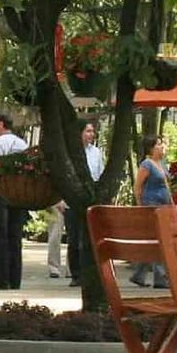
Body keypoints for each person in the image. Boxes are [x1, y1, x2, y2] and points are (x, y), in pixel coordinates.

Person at [0, 112, 29, 290]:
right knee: (15, 235)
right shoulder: (21, 143)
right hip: (20, 192)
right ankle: (15, 278)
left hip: (1, 189)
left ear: (1, 124)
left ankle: (1, 279)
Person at [129, 135, 172, 288]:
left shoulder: (162, 163)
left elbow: (166, 185)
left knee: (154, 241)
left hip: (164, 205)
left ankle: (138, 275)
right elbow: (138, 186)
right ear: (151, 148)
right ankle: (160, 278)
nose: (162, 146)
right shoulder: (147, 164)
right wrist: (141, 205)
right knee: (158, 241)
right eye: (159, 144)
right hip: (151, 205)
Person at [67, 121, 104, 287]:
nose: (91, 134)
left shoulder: (96, 152)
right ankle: (76, 274)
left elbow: (100, 174)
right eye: (87, 131)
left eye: (92, 131)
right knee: (74, 238)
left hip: (91, 198)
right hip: (73, 199)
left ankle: (90, 273)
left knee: (90, 237)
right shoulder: (70, 152)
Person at [45, 205, 66, 278]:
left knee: (74, 237)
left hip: (73, 203)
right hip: (54, 203)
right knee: (54, 237)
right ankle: (53, 267)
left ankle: (72, 269)